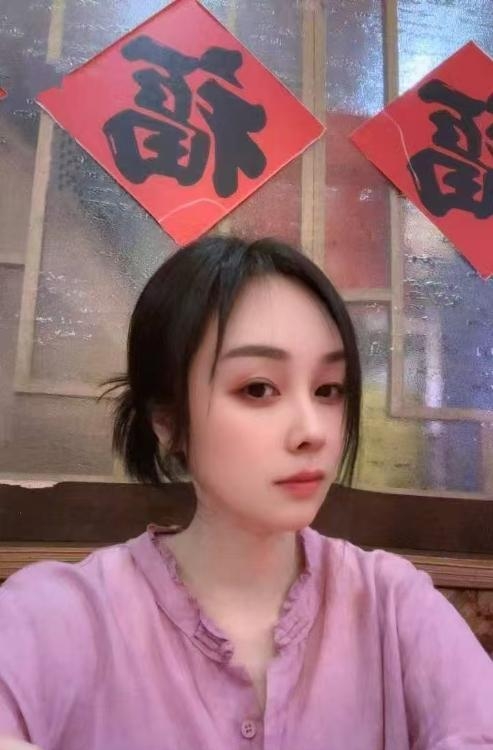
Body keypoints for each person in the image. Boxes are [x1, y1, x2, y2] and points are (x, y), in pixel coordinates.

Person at [0, 235, 492, 750]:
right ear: (167, 421)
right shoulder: (58, 617)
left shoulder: (394, 605)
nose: (313, 431)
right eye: (258, 388)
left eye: (328, 390)